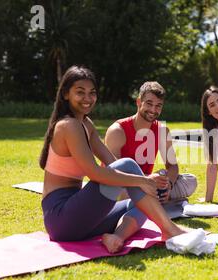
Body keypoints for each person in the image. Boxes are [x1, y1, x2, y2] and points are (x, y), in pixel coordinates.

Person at [39, 65, 187, 254]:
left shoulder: (85, 124)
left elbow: (111, 162)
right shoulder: (68, 126)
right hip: (61, 218)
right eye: (80, 92)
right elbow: (95, 172)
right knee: (128, 165)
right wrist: (143, 180)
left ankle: (117, 236)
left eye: (92, 93)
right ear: (66, 94)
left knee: (143, 203)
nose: (87, 98)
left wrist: (147, 185)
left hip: (81, 220)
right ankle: (170, 230)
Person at [104, 81, 198, 224]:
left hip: (149, 185)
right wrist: (147, 180)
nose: (153, 110)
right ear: (138, 102)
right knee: (122, 192)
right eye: (149, 103)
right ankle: (152, 204)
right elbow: (114, 174)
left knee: (191, 181)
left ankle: (154, 201)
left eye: (158, 106)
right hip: (123, 185)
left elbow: (172, 166)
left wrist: (169, 186)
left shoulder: (161, 131)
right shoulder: (117, 131)